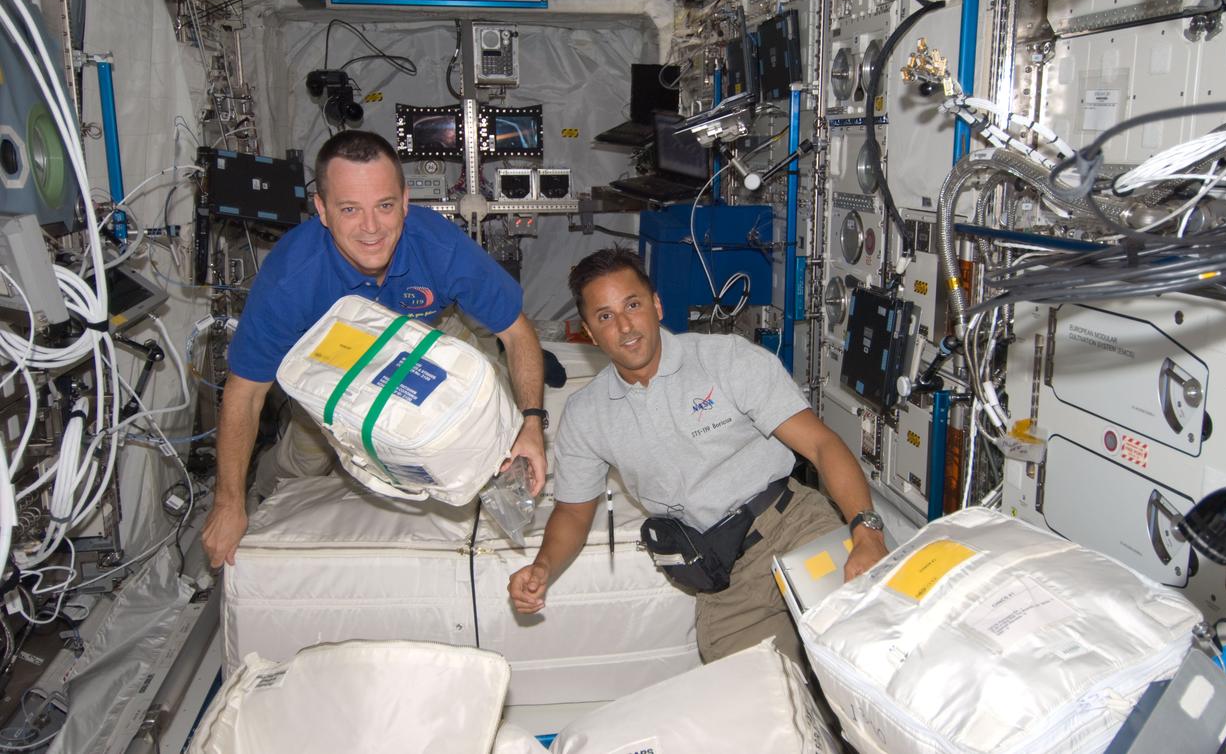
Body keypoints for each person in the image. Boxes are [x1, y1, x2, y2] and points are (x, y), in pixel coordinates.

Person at [508, 247, 888, 666]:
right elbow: (573, 513)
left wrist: (866, 531)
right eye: (605, 316)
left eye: (632, 305)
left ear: (656, 305)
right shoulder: (587, 414)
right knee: (749, 695)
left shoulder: (725, 359)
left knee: (864, 657)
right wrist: (543, 567)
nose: (625, 326)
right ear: (590, 333)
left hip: (793, 529)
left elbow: (822, 445)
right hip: (722, 574)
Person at [202, 130, 547, 569]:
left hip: (424, 332)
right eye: (350, 209)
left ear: (405, 202)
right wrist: (228, 503)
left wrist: (530, 423)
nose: (371, 228)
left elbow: (517, 332)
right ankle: (263, 496)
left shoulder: (438, 245)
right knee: (303, 460)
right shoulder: (291, 278)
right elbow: (246, 392)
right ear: (322, 210)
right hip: (336, 361)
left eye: (384, 206)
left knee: (487, 405)